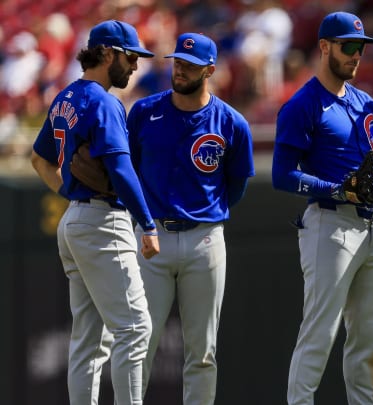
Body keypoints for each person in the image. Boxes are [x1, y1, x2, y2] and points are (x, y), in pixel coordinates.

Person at [271, 11, 373, 405]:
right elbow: (282, 175)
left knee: (368, 341)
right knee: (319, 334)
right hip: (330, 224)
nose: (356, 55)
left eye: (361, 48)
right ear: (324, 47)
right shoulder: (302, 105)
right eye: (348, 46)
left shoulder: (366, 105)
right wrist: (339, 190)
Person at [29, 20, 159, 405]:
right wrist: (148, 223)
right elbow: (120, 169)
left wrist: (72, 194)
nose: (135, 66)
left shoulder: (66, 96)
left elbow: (39, 159)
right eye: (130, 56)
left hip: (76, 221)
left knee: (89, 339)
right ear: (107, 54)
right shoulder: (104, 102)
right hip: (102, 222)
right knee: (135, 329)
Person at [126, 33, 255, 404]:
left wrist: (207, 215)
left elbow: (236, 185)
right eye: (177, 62)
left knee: (202, 350)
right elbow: (128, 171)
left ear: (210, 70)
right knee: (140, 342)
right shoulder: (144, 111)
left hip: (204, 239)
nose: (179, 70)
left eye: (190, 65)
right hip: (152, 237)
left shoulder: (231, 122)